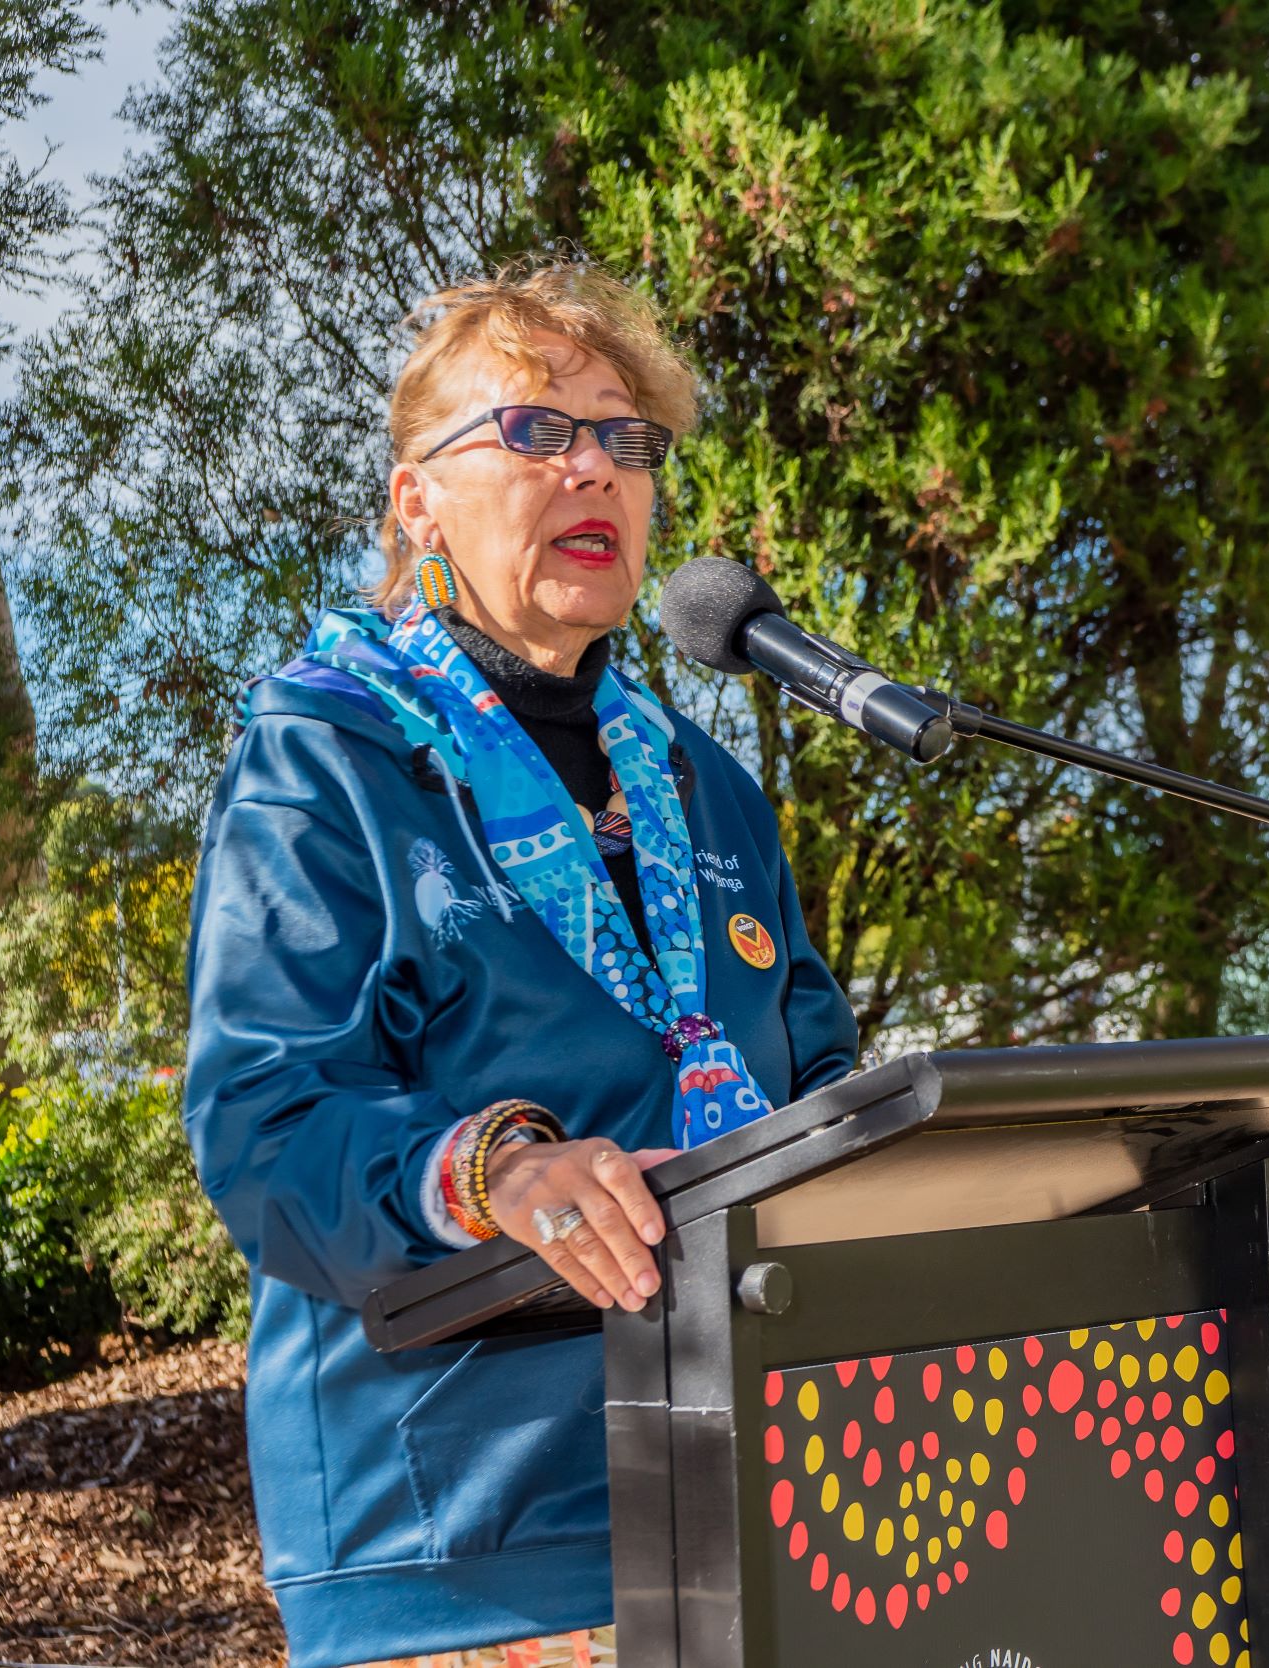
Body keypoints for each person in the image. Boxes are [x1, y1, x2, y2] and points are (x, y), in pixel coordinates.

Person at [183, 258, 858, 1668]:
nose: (594, 470)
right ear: (415, 497)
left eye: (625, 438)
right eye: (536, 432)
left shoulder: (706, 790)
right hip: (470, 1541)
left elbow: (822, 1080)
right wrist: (497, 1173)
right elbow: (262, 1121)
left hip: (767, 1496)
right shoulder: (326, 758)